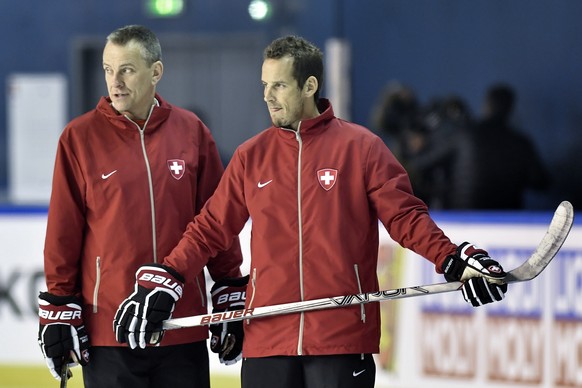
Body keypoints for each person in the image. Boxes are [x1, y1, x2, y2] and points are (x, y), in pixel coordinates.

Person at [114, 35, 509, 388]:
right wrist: (168, 276)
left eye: (279, 85)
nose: (268, 96)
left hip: (339, 339)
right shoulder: (252, 157)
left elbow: (405, 218)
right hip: (267, 341)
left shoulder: (361, 148)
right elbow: (211, 228)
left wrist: (453, 258)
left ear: (310, 86)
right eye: (264, 85)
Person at [37, 25, 244, 388]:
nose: (114, 81)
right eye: (107, 69)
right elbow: (63, 234)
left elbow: (217, 221)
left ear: (156, 72)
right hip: (110, 331)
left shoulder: (191, 132)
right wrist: (58, 305)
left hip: (182, 324)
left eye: (127, 69)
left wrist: (229, 289)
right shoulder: (79, 138)